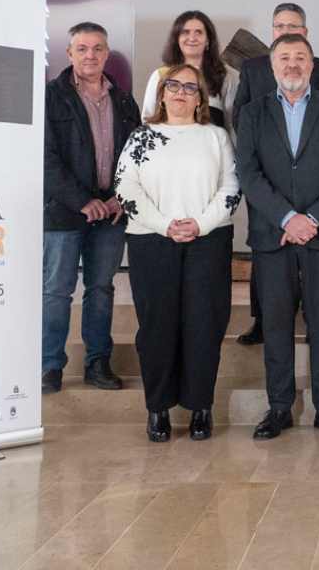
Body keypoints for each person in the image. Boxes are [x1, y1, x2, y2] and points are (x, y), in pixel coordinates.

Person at [237, 33, 319, 440]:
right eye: (285, 58)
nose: (292, 65)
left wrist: (313, 219)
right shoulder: (253, 114)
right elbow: (249, 175)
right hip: (273, 236)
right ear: (272, 66)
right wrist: (287, 218)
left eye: (301, 58)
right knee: (275, 324)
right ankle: (279, 407)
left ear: (312, 65)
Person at [114, 63, 239, 442]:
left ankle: (201, 406)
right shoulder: (141, 136)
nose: (181, 93)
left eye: (190, 87)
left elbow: (231, 186)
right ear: (162, 93)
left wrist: (200, 224)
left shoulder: (216, 136)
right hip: (152, 241)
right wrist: (164, 223)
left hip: (208, 241)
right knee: (157, 326)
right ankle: (158, 408)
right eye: (174, 86)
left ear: (200, 97)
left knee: (204, 324)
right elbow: (125, 187)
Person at [42, 22, 140, 395]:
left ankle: (98, 362)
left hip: (111, 214)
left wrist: (120, 197)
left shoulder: (124, 100)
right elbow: (45, 157)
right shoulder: (51, 97)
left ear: (106, 53)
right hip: (65, 211)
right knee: (57, 290)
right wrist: (83, 201)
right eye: (82, 49)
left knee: (100, 289)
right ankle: (49, 365)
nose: (90, 56)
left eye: (97, 49)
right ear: (69, 54)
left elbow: (136, 156)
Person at [230, 3, 319, 348]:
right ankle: (263, 320)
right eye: (279, 26)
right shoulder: (253, 67)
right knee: (267, 257)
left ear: (305, 32)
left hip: (312, 187)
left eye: (293, 25)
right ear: (272, 32)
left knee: (314, 269)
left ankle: (312, 319)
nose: (286, 30)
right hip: (266, 181)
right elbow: (239, 116)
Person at [141, 10, 238, 129]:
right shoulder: (160, 75)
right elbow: (148, 119)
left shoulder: (225, 75)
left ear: (208, 40)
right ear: (177, 39)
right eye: (185, 32)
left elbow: (232, 123)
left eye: (199, 32)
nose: (192, 38)